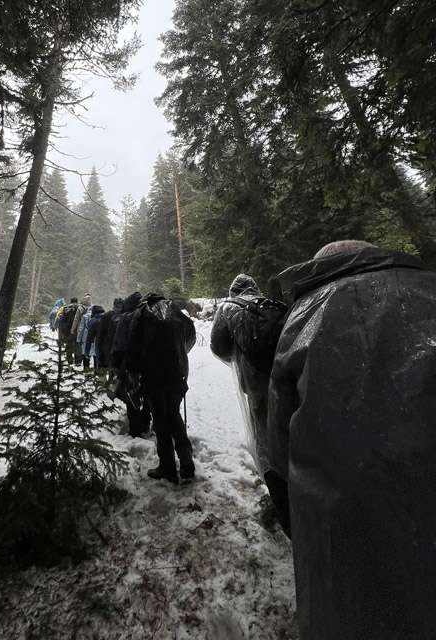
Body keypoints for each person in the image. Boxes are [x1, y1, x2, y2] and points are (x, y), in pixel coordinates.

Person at [265, 240, 436, 639]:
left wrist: (294, 515)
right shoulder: (430, 290)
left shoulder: (307, 311)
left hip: (337, 516)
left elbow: (278, 442)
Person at [209, 274, 288, 532]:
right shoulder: (273, 304)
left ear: (233, 290)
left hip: (255, 381)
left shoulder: (229, 307)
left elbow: (218, 347)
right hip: (286, 375)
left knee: (265, 438)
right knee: (290, 432)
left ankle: (283, 507)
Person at [126, 292, 196, 482]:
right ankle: (187, 462)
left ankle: (167, 467)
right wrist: (180, 352)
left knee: (160, 421)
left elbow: (132, 346)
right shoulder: (174, 310)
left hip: (153, 376)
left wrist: (133, 372)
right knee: (174, 415)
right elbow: (191, 334)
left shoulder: (142, 313)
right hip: (177, 374)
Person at [112, 291, 148, 436]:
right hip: (151, 365)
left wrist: (117, 366)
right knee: (148, 395)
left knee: (131, 396)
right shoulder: (150, 316)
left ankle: (135, 430)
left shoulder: (126, 318)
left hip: (131, 364)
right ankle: (146, 422)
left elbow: (119, 345)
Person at [55, 297, 81, 364]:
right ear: (77, 301)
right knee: (77, 345)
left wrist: (62, 332)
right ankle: (77, 360)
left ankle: (70, 360)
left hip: (67, 330)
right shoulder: (80, 308)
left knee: (69, 345)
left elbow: (62, 320)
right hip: (77, 330)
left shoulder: (65, 308)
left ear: (71, 301)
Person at [81, 304, 105, 372]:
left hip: (99, 345)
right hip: (111, 347)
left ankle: (98, 377)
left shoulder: (94, 320)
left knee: (100, 365)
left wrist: (86, 353)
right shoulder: (109, 317)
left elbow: (89, 339)